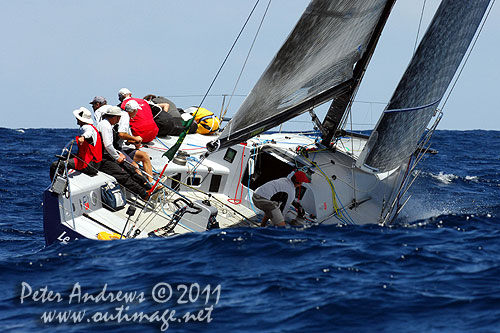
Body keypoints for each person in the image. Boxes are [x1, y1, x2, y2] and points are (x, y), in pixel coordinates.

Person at [97, 106, 152, 200]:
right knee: (123, 175)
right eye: (118, 118)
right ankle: (144, 194)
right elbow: (108, 145)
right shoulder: (105, 126)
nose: (119, 120)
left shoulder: (108, 125)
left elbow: (111, 146)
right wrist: (117, 157)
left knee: (130, 168)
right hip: (104, 158)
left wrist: (118, 153)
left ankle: (149, 187)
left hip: (110, 155)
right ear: (113, 117)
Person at [50, 107, 102, 180]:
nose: (76, 119)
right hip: (94, 163)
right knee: (66, 156)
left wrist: (83, 137)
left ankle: (55, 185)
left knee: (55, 165)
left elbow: (88, 132)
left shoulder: (86, 127)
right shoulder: (92, 127)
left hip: (89, 165)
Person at [118, 100, 154, 183]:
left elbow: (127, 139)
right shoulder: (125, 116)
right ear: (134, 110)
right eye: (137, 111)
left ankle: (151, 182)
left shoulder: (126, 117)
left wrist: (135, 141)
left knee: (145, 156)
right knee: (135, 166)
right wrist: (135, 139)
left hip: (124, 148)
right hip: (118, 149)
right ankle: (146, 186)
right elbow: (121, 134)